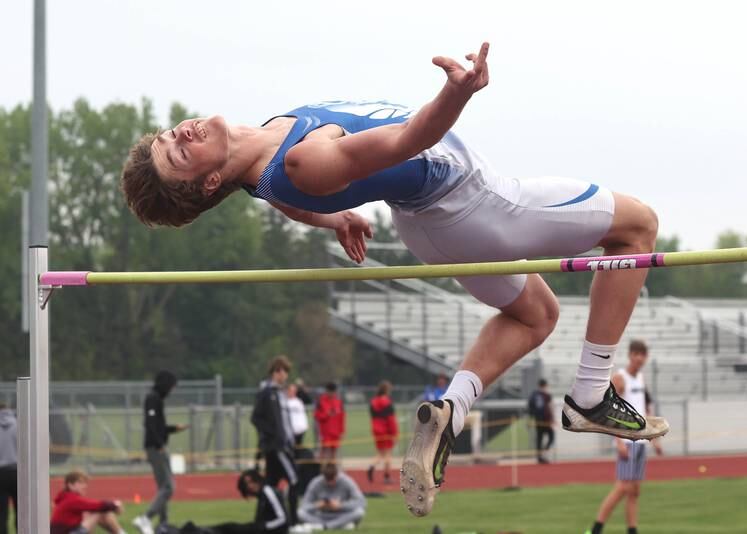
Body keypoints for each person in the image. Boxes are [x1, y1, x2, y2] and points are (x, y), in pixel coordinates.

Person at [120, 41, 668, 516]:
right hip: (477, 204)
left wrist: (333, 216)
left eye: (172, 135)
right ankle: (591, 394)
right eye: (181, 154)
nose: (182, 134)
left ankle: (450, 411)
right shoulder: (300, 162)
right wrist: (461, 91)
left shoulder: (262, 158)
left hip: (429, 223)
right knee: (638, 226)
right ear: (210, 178)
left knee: (537, 314)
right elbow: (404, 140)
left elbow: (278, 196)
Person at [585, 340, 664, 534]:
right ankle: (595, 529)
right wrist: (618, 441)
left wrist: (655, 438)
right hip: (627, 442)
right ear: (630, 355)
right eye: (636, 353)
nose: (639, 358)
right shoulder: (620, 378)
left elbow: (644, 409)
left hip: (641, 441)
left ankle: (632, 530)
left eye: (643, 354)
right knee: (622, 487)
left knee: (635, 490)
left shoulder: (641, 378)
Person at [133, 371, 188, 534]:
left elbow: (158, 425)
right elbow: (150, 424)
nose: (172, 390)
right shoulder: (152, 398)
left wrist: (174, 428)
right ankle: (145, 518)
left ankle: (163, 524)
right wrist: (159, 444)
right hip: (155, 447)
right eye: (171, 386)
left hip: (157, 445)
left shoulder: (157, 400)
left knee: (163, 487)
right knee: (169, 487)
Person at [251, 356, 299, 526]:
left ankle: (259, 521)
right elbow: (256, 418)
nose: (284, 375)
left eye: (286, 371)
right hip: (276, 446)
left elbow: (284, 420)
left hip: (283, 444)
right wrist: (273, 435)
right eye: (282, 371)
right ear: (275, 372)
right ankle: (293, 521)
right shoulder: (266, 393)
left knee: (269, 484)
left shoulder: (281, 393)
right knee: (294, 479)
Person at [50, 470, 126, 534]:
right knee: (99, 512)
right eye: (80, 483)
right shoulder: (72, 499)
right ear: (70, 485)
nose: (84, 486)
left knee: (90, 512)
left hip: (69, 530)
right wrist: (116, 504)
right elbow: (99, 505)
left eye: (85, 483)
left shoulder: (64, 497)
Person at [298, 463, 365, 531]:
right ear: (323, 475)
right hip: (321, 515)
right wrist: (317, 505)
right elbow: (304, 505)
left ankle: (323, 526)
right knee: (300, 513)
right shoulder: (315, 483)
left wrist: (341, 505)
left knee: (359, 512)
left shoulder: (347, 481)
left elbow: (361, 502)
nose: (330, 483)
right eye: (327, 479)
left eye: (332, 479)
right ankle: (340, 526)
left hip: (341, 514)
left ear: (337, 474)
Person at [367, 380, 399, 485]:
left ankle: (371, 465)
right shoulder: (386, 401)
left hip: (376, 429)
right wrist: (395, 433)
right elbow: (390, 419)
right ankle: (387, 476)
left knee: (380, 453)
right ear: (387, 390)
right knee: (388, 454)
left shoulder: (373, 401)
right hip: (386, 430)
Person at [313, 384, 345, 461]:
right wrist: (326, 414)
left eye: (334, 392)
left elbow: (342, 417)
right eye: (330, 392)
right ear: (327, 391)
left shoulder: (339, 402)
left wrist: (342, 431)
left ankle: (332, 470)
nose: (332, 394)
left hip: (335, 432)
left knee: (334, 452)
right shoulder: (320, 401)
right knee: (323, 451)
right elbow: (316, 415)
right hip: (325, 432)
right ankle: (320, 469)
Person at [527, 379, 555, 464]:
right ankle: (544, 453)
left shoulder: (533, 395)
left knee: (539, 438)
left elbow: (530, 409)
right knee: (551, 437)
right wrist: (552, 419)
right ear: (545, 385)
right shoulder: (546, 395)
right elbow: (550, 407)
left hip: (538, 420)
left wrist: (529, 420)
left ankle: (540, 457)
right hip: (546, 420)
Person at [0, 403, 17, 534]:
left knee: (1, 511)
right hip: (18, 470)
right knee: (22, 508)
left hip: (1, 473)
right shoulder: (18, 424)